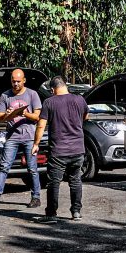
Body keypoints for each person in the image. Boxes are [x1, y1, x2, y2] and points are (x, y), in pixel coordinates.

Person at [31, 76, 88, 222]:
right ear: (65, 86)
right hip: (78, 149)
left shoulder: (49, 102)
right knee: (75, 180)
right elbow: (85, 116)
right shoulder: (80, 100)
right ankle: (76, 212)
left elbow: (41, 125)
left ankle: (51, 214)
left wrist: (36, 144)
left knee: (53, 182)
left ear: (52, 89)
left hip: (58, 151)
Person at [0, 69, 42, 211]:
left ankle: (36, 197)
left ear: (24, 80)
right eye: (13, 81)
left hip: (29, 136)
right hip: (12, 136)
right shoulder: (5, 95)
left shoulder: (32, 94)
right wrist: (7, 115)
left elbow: (38, 117)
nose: (16, 84)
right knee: (4, 167)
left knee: (32, 168)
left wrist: (25, 113)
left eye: (18, 81)